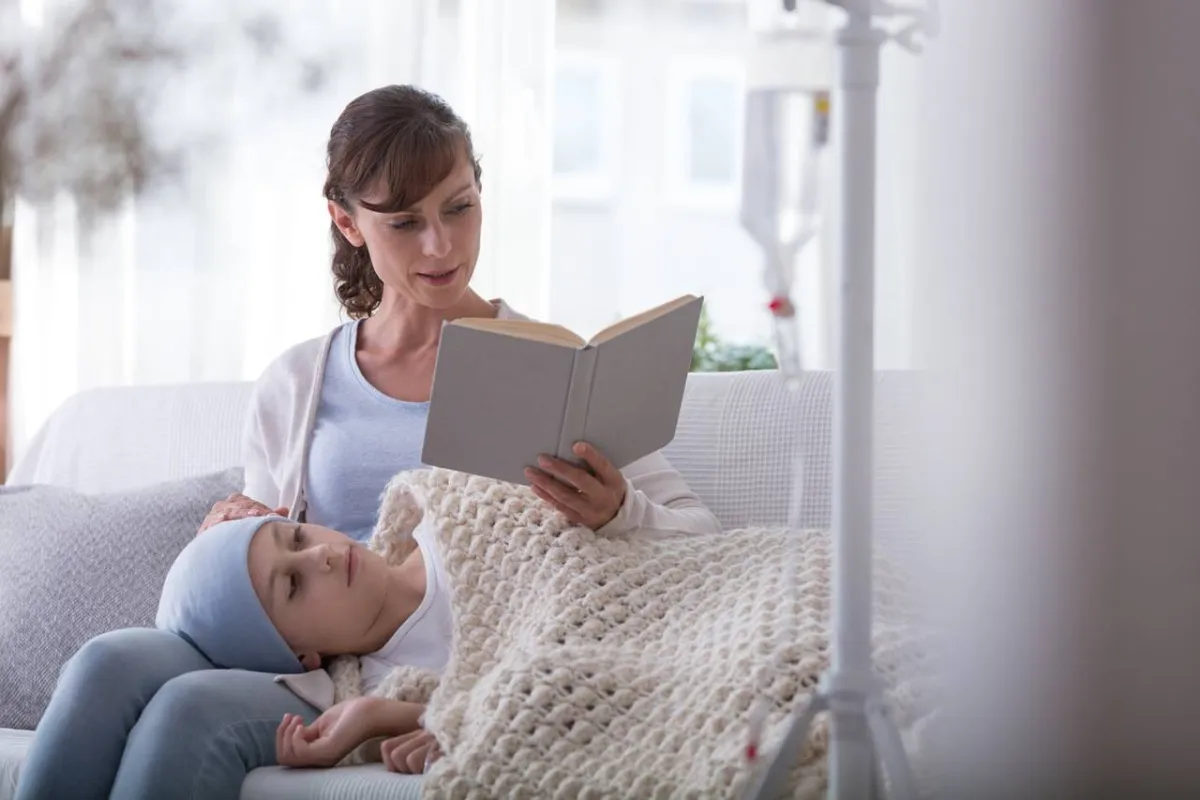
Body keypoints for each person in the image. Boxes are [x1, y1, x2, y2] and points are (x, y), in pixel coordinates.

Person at [15, 84, 720, 800]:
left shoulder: (550, 368)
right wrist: (231, 534)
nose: (441, 245)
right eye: (404, 222)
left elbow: (701, 542)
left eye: (460, 207)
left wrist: (616, 511)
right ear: (346, 223)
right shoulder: (298, 381)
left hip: (372, 674)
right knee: (104, 664)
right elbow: (269, 550)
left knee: (189, 713)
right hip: (294, 647)